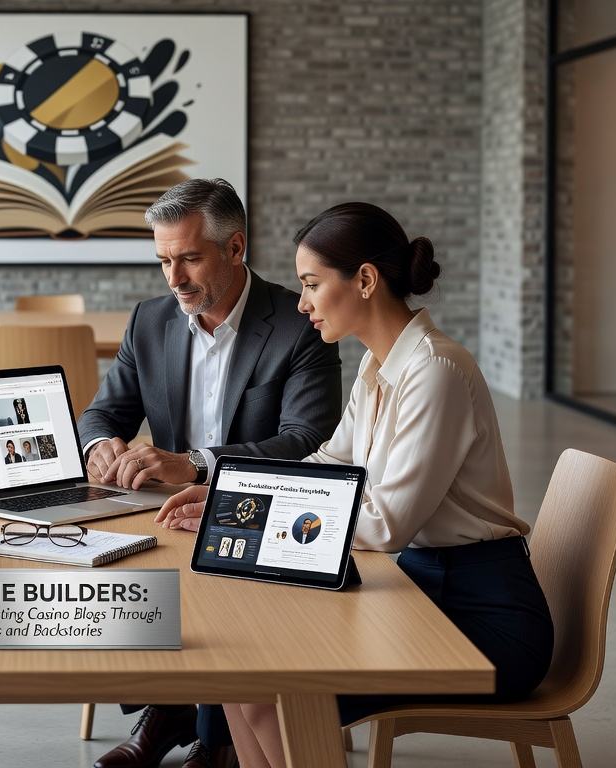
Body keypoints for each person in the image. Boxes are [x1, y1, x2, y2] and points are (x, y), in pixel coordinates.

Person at [155, 202, 555, 768]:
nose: (302, 303)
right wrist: (232, 498)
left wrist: (255, 514)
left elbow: (387, 525)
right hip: (420, 589)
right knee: (238, 675)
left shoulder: (435, 371)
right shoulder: (378, 366)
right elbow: (329, 460)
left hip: (482, 620)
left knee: (273, 693)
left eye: (312, 284)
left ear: (365, 280)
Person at [78, 178, 343, 768]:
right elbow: (101, 413)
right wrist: (100, 445)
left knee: (215, 591)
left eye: (190, 258)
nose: (173, 278)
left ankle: (211, 733)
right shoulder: (149, 321)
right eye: (163, 260)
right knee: (116, 576)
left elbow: (309, 442)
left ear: (236, 247)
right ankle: (174, 710)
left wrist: (196, 463)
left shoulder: (301, 324)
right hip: (167, 516)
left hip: (260, 517)